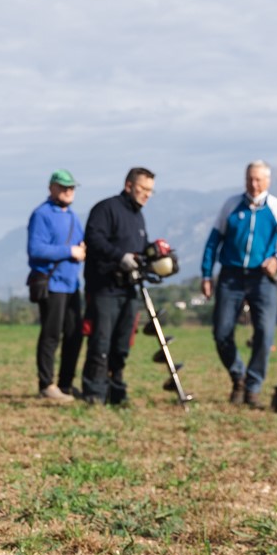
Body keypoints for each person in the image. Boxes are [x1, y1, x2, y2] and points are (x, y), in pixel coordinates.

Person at [200, 161, 277, 408]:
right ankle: (238, 376)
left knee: (265, 334)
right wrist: (206, 274)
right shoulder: (231, 206)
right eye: (249, 179)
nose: (253, 185)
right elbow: (213, 242)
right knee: (221, 332)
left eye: (258, 180)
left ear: (268, 181)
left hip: (262, 279)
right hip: (231, 276)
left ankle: (253, 387)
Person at [79, 168, 154, 405]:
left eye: (151, 190)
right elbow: (94, 239)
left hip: (129, 290)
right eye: (143, 189)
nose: (147, 195)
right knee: (100, 342)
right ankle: (94, 392)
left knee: (122, 344)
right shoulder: (106, 209)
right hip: (104, 289)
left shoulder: (138, 216)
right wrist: (120, 257)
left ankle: (116, 391)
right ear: (129, 185)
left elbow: (141, 248)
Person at [26, 170, 86, 401]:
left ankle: (66, 384)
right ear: (52, 188)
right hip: (52, 284)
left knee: (74, 336)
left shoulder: (72, 216)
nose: (68, 191)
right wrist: (69, 251)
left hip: (72, 285)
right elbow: (36, 249)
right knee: (51, 336)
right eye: (63, 187)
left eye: (71, 187)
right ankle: (46, 385)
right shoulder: (41, 214)